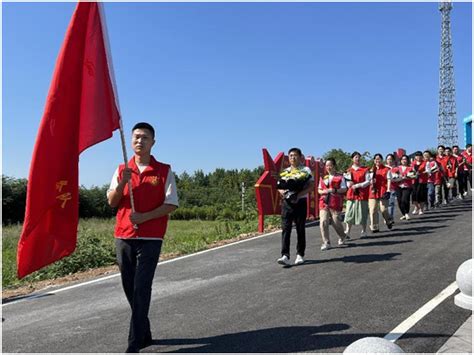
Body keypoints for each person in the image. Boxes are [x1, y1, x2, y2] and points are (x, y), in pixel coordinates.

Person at [107, 122, 179, 353]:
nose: (140, 141)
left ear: (153, 142)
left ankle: (133, 344)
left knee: (141, 287)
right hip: (124, 236)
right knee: (129, 287)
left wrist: (145, 217)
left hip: (151, 238)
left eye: (145, 137)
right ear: (131, 141)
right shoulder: (121, 170)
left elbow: (171, 204)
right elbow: (111, 201)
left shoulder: (164, 170)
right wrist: (121, 184)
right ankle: (144, 332)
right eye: (136, 137)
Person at [277, 148, 314, 266]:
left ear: (300, 157)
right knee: (286, 228)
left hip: (300, 202)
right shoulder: (285, 171)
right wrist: (284, 193)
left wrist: (298, 195)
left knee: (300, 228)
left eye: (295, 155)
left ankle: (300, 254)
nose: (292, 157)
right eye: (290, 155)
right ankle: (285, 255)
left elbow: (311, 186)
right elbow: (279, 186)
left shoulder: (306, 170)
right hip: (287, 203)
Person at [318, 158, 348, 250]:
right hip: (324, 202)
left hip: (335, 202)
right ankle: (326, 242)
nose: (328, 167)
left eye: (330, 165)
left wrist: (334, 190)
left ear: (334, 166)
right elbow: (319, 190)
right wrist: (323, 191)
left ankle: (343, 236)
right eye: (326, 166)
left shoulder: (340, 177)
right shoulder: (323, 177)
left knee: (335, 221)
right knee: (323, 221)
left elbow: (344, 189)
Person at [344, 151, 370, 238]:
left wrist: (358, 185)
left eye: (359, 157)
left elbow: (368, 181)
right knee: (349, 212)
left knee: (362, 212)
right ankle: (347, 231)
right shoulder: (348, 170)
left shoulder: (365, 169)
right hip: (351, 194)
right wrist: (349, 184)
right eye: (355, 157)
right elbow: (347, 183)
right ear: (352, 159)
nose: (357, 158)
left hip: (362, 193)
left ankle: (364, 230)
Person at [368, 153, 393, 233]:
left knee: (383, 210)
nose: (377, 160)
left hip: (383, 190)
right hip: (373, 191)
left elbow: (389, 180)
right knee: (373, 210)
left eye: (378, 159)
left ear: (382, 160)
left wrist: (388, 190)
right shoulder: (371, 170)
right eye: (375, 159)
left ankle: (388, 220)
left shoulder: (386, 169)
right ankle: (375, 227)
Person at [397, 155, 415, 220]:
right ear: (401, 160)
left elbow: (414, 176)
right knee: (399, 201)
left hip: (407, 186)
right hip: (398, 186)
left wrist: (408, 177)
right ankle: (403, 214)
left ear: (407, 160)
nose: (404, 161)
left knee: (405, 199)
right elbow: (394, 176)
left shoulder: (410, 168)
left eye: (405, 159)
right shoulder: (397, 168)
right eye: (403, 159)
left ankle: (407, 213)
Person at [385, 154, 399, 224]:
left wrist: (394, 179)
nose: (389, 161)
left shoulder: (396, 169)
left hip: (392, 188)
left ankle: (390, 217)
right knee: (384, 205)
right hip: (384, 188)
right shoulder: (384, 168)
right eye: (388, 159)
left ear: (393, 160)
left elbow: (399, 178)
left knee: (391, 203)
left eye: (391, 159)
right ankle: (386, 217)